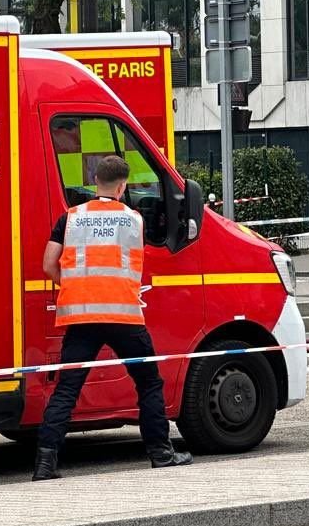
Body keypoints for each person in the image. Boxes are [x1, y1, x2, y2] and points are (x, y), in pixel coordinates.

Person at [32, 153, 192, 480]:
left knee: (67, 389)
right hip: (123, 316)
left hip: (81, 316)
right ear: (122, 187)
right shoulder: (134, 220)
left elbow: (49, 263)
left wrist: (75, 284)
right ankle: (161, 454)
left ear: (95, 183)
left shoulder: (71, 218)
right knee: (148, 383)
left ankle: (45, 464)